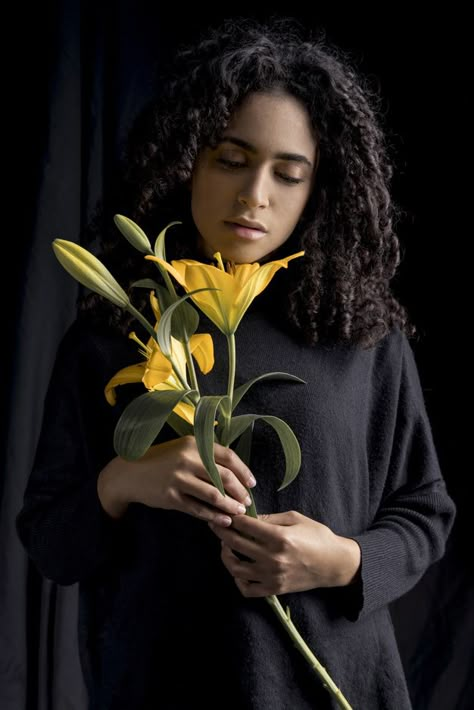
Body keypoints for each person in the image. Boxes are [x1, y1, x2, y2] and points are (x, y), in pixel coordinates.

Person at [16, 16, 457, 710]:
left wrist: (341, 561)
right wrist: (127, 478)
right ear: (185, 159)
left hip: (335, 687)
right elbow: (50, 540)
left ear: (319, 191)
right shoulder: (117, 335)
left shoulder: (363, 335)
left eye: (289, 174)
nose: (256, 194)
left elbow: (425, 510)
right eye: (230, 159)